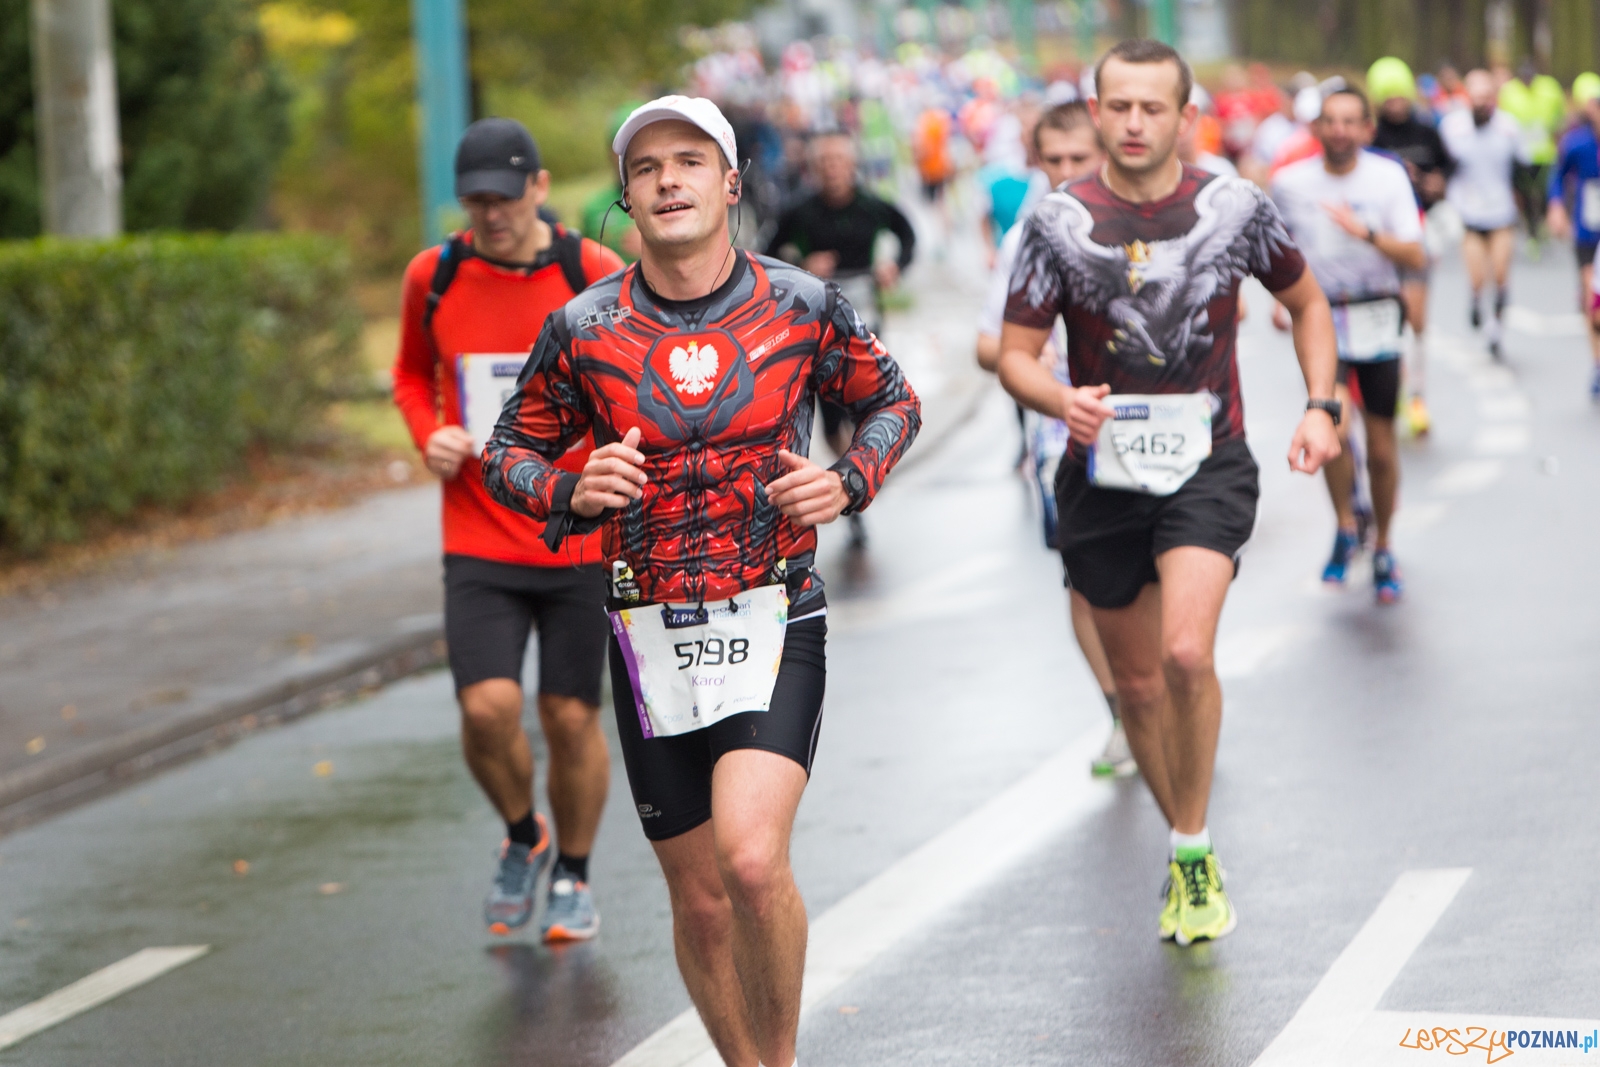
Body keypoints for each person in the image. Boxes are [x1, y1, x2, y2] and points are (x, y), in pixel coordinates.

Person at [483, 96, 920, 1067]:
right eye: (645, 168)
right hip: (647, 633)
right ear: (627, 198)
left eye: (688, 161)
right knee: (699, 896)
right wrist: (569, 484)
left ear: (729, 185)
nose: (667, 179)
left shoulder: (799, 304)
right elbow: (506, 450)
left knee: (752, 858)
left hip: (771, 611)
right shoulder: (583, 326)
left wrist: (845, 481)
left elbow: (890, 401)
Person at [996, 40, 1340, 947]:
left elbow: (1307, 301)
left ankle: (1192, 842)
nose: (1135, 124)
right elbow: (1017, 355)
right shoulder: (1058, 221)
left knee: (1186, 654)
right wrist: (1059, 398)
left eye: (1154, 108)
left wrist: (1319, 404)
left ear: (1187, 117)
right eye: (1119, 107)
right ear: (1098, 111)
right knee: (1140, 686)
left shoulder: (1233, 208)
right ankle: (1184, 835)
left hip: (1207, 460)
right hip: (1101, 473)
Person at [391, 118, 625, 941]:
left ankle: (575, 872)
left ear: (539, 186)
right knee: (488, 708)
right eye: (475, 199)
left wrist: (604, 465)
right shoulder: (437, 274)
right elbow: (410, 376)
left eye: (503, 195)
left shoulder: (589, 269)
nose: (489, 214)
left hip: (577, 536)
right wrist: (431, 437)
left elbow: (637, 376)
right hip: (479, 534)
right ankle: (525, 834)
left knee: (569, 717)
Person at [974, 101, 1128, 776]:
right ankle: (1123, 712)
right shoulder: (1026, 238)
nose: (1065, 173)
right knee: (1084, 579)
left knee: (1155, 569)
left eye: (1079, 159)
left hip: (1146, 426)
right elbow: (987, 343)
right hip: (1059, 435)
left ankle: (1164, 695)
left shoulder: (1140, 226)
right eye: (1053, 160)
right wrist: (1036, 368)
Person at [1273, 87, 1426, 603]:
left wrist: (1366, 234)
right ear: (1316, 128)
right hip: (1323, 317)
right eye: (1329, 120)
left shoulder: (1387, 177)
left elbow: (1416, 253)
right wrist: (1281, 300)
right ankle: (1344, 524)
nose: (1339, 130)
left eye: (1350, 121)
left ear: (1366, 128)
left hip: (1377, 309)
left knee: (1382, 447)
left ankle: (1384, 543)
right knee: (1331, 427)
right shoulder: (1290, 184)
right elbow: (1281, 251)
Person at [764, 130, 917, 548]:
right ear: (813, 168)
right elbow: (767, 256)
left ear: (852, 164)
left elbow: (908, 236)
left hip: (865, 312)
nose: (832, 168)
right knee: (832, 413)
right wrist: (801, 262)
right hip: (818, 323)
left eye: (839, 160)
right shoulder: (799, 212)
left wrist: (893, 265)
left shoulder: (872, 206)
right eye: (824, 161)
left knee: (873, 398)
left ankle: (858, 469)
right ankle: (849, 469)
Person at [1369, 57, 1454, 436]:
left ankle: (1417, 396)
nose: (1395, 103)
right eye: (1387, 97)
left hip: (1419, 234)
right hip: (1379, 242)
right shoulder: (1370, 139)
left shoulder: (1426, 131)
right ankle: (1386, 392)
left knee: (1417, 318)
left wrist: (1438, 183)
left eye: (1399, 95)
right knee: (1390, 319)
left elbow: (1449, 168)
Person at [1439, 69, 1521, 358]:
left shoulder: (1508, 128)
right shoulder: (1452, 128)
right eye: (1476, 97)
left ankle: (1495, 331)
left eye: (1486, 97)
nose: (1481, 103)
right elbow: (1444, 168)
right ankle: (1475, 300)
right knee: (1477, 277)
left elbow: (1520, 170)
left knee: (1500, 274)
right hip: (1469, 213)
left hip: (1501, 212)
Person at [1544, 72, 1600, 399]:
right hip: (1588, 231)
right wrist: (1556, 207)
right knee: (1592, 304)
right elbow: (1557, 176)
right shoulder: (1576, 143)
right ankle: (1597, 362)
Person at [581, 103, 644, 263]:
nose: (626, 156)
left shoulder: (670, 195)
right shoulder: (594, 207)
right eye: (619, 148)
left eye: (635, 146)